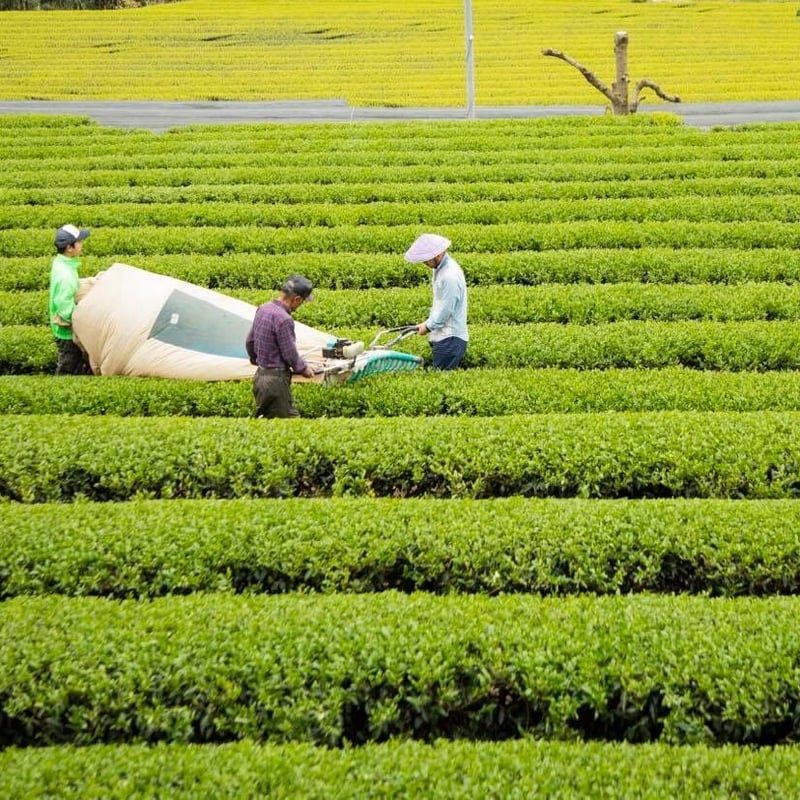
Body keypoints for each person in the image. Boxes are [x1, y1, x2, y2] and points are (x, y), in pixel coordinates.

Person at [245, 274, 317, 418]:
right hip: (275, 382)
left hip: (260, 377)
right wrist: (304, 369)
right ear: (296, 299)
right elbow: (289, 353)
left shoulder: (263, 308)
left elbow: (250, 341)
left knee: (270, 421)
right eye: (302, 301)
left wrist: (257, 361)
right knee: (288, 423)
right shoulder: (284, 319)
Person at [404, 233, 468, 370]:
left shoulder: (449, 276)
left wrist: (428, 327)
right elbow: (440, 305)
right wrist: (427, 322)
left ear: (437, 255)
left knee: (442, 380)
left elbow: (446, 309)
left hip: (449, 339)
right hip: (443, 336)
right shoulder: (440, 270)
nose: (424, 263)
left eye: (426, 260)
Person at [49, 223, 93, 375]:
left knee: (76, 364)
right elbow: (64, 307)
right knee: (68, 366)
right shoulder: (65, 276)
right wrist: (82, 320)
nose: (82, 245)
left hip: (64, 328)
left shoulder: (61, 262)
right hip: (65, 332)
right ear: (69, 248)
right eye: (79, 242)